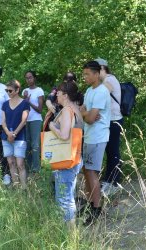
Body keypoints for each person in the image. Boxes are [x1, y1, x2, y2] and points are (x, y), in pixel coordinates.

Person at [48, 80, 84, 225]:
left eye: (58, 93)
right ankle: (70, 234)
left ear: (66, 95)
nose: (56, 95)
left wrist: (52, 126)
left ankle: (69, 236)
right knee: (67, 197)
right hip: (74, 157)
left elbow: (64, 135)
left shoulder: (67, 110)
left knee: (64, 200)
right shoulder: (76, 109)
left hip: (66, 159)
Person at [79, 61, 111, 225]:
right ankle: (90, 203)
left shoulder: (101, 92)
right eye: (84, 74)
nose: (84, 77)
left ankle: (97, 210)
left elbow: (90, 118)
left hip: (98, 137)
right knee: (86, 171)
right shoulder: (89, 91)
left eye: (87, 74)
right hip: (89, 135)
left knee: (92, 172)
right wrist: (86, 113)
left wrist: (86, 114)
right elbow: (82, 110)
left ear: (97, 74)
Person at [95, 58, 123, 197]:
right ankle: (108, 180)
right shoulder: (105, 81)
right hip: (109, 121)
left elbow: (101, 94)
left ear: (102, 68)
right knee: (109, 151)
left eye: (95, 70)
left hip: (114, 121)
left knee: (113, 151)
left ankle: (114, 183)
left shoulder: (110, 80)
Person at [1, 80, 30, 190]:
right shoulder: (5, 104)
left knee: (20, 164)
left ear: (17, 90)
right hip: (6, 137)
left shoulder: (24, 103)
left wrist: (14, 134)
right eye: (6, 90)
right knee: (10, 162)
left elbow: (24, 120)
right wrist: (8, 133)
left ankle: (24, 188)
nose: (8, 92)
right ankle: (16, 186)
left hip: (20, 137)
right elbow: (2, 121)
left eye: (10, 90)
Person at [21, 70, 44, 173]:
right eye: (26, 78)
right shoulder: (25, 91)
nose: (28, 79)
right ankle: (28, 167)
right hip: (26, 120)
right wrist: (25, 99)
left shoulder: (39, 91)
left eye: (30, 77)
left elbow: (40, 109)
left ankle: (36, 168)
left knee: (35, 144)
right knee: (27, 144)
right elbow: (22, 107)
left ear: (34, 78)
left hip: (36, 120)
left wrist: (28, 102)